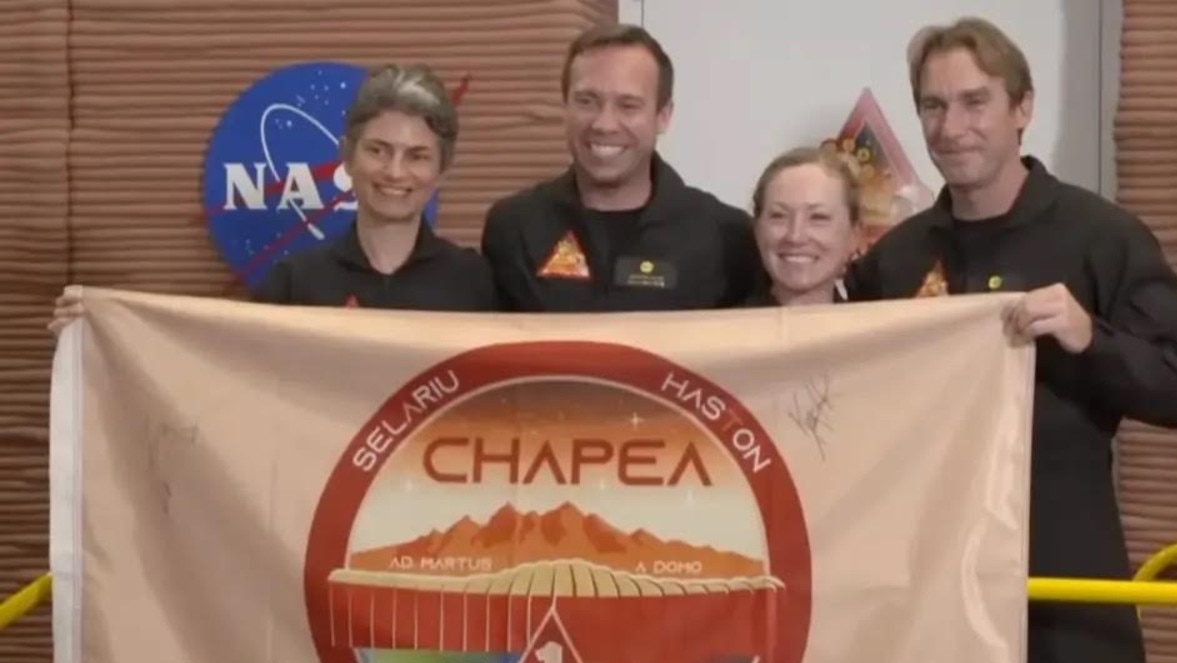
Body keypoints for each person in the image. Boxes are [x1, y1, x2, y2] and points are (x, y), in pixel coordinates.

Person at [846, 17, 1177, 663]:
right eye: (933, 105)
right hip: (927, 594)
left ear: (1023, 109)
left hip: (1067, 588)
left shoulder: (1099, 236)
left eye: (974, 101)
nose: (951, 125)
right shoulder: (895, 260)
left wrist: (1092, 338)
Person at [48, 63, 497, 332]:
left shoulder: (476, 284)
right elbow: (219, 366)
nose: (395, 172)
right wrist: (103, 330)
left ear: (442, 172)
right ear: (347, 157)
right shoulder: (294, 283)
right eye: (378, 150)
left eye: (417, 156)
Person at [480, 23, 765, 312]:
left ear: (663, 116)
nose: (604, 124)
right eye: (586, 101)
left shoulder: (728, 236)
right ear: (565, 106)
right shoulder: (512, 227)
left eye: (628, 105)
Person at [742, 145, 862, 307]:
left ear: (854, 236)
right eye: (779, 216)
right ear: (758, 230)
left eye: (818, 217)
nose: (795, 236)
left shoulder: (881, 331)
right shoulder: (718, 331)